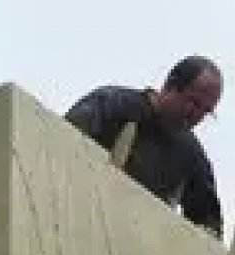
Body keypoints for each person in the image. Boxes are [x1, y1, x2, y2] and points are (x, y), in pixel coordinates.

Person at [65, 56, 224, 238]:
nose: (196, 116)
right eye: (194, 103)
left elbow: (209, 225)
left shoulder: (192, 155)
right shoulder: (111, 105)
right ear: (171, 86)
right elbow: (63, 147)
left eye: (206, 111)